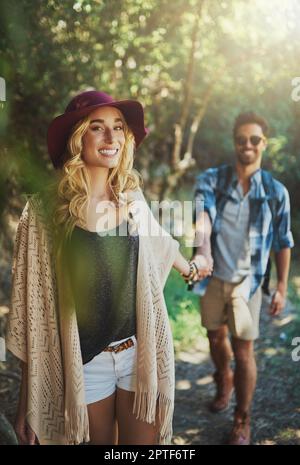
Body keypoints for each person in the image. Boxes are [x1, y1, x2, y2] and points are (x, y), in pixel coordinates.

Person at [6, 90, 210, 445]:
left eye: (118, 127)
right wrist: (29, 401)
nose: (111, 137)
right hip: (86, 363)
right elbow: (32, 315)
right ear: (77, 139)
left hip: (138, 353)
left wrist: (194, 267)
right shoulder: (41, 216)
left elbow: (162, 247)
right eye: (97, 128)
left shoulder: (132, 201)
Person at [191, 112, 294, 445]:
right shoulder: (212, 179)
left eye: (254, 139)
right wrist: (202, 252)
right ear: (234, 142)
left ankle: (242, 418)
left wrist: (279, 287)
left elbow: (283, 242)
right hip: (212, 276)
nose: (247, 145)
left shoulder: (276, 192)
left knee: (244, 349)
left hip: (248, 282)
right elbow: (201, 216)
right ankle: (223, 376)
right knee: (215, 338)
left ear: (263, 143)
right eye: (241, 139)